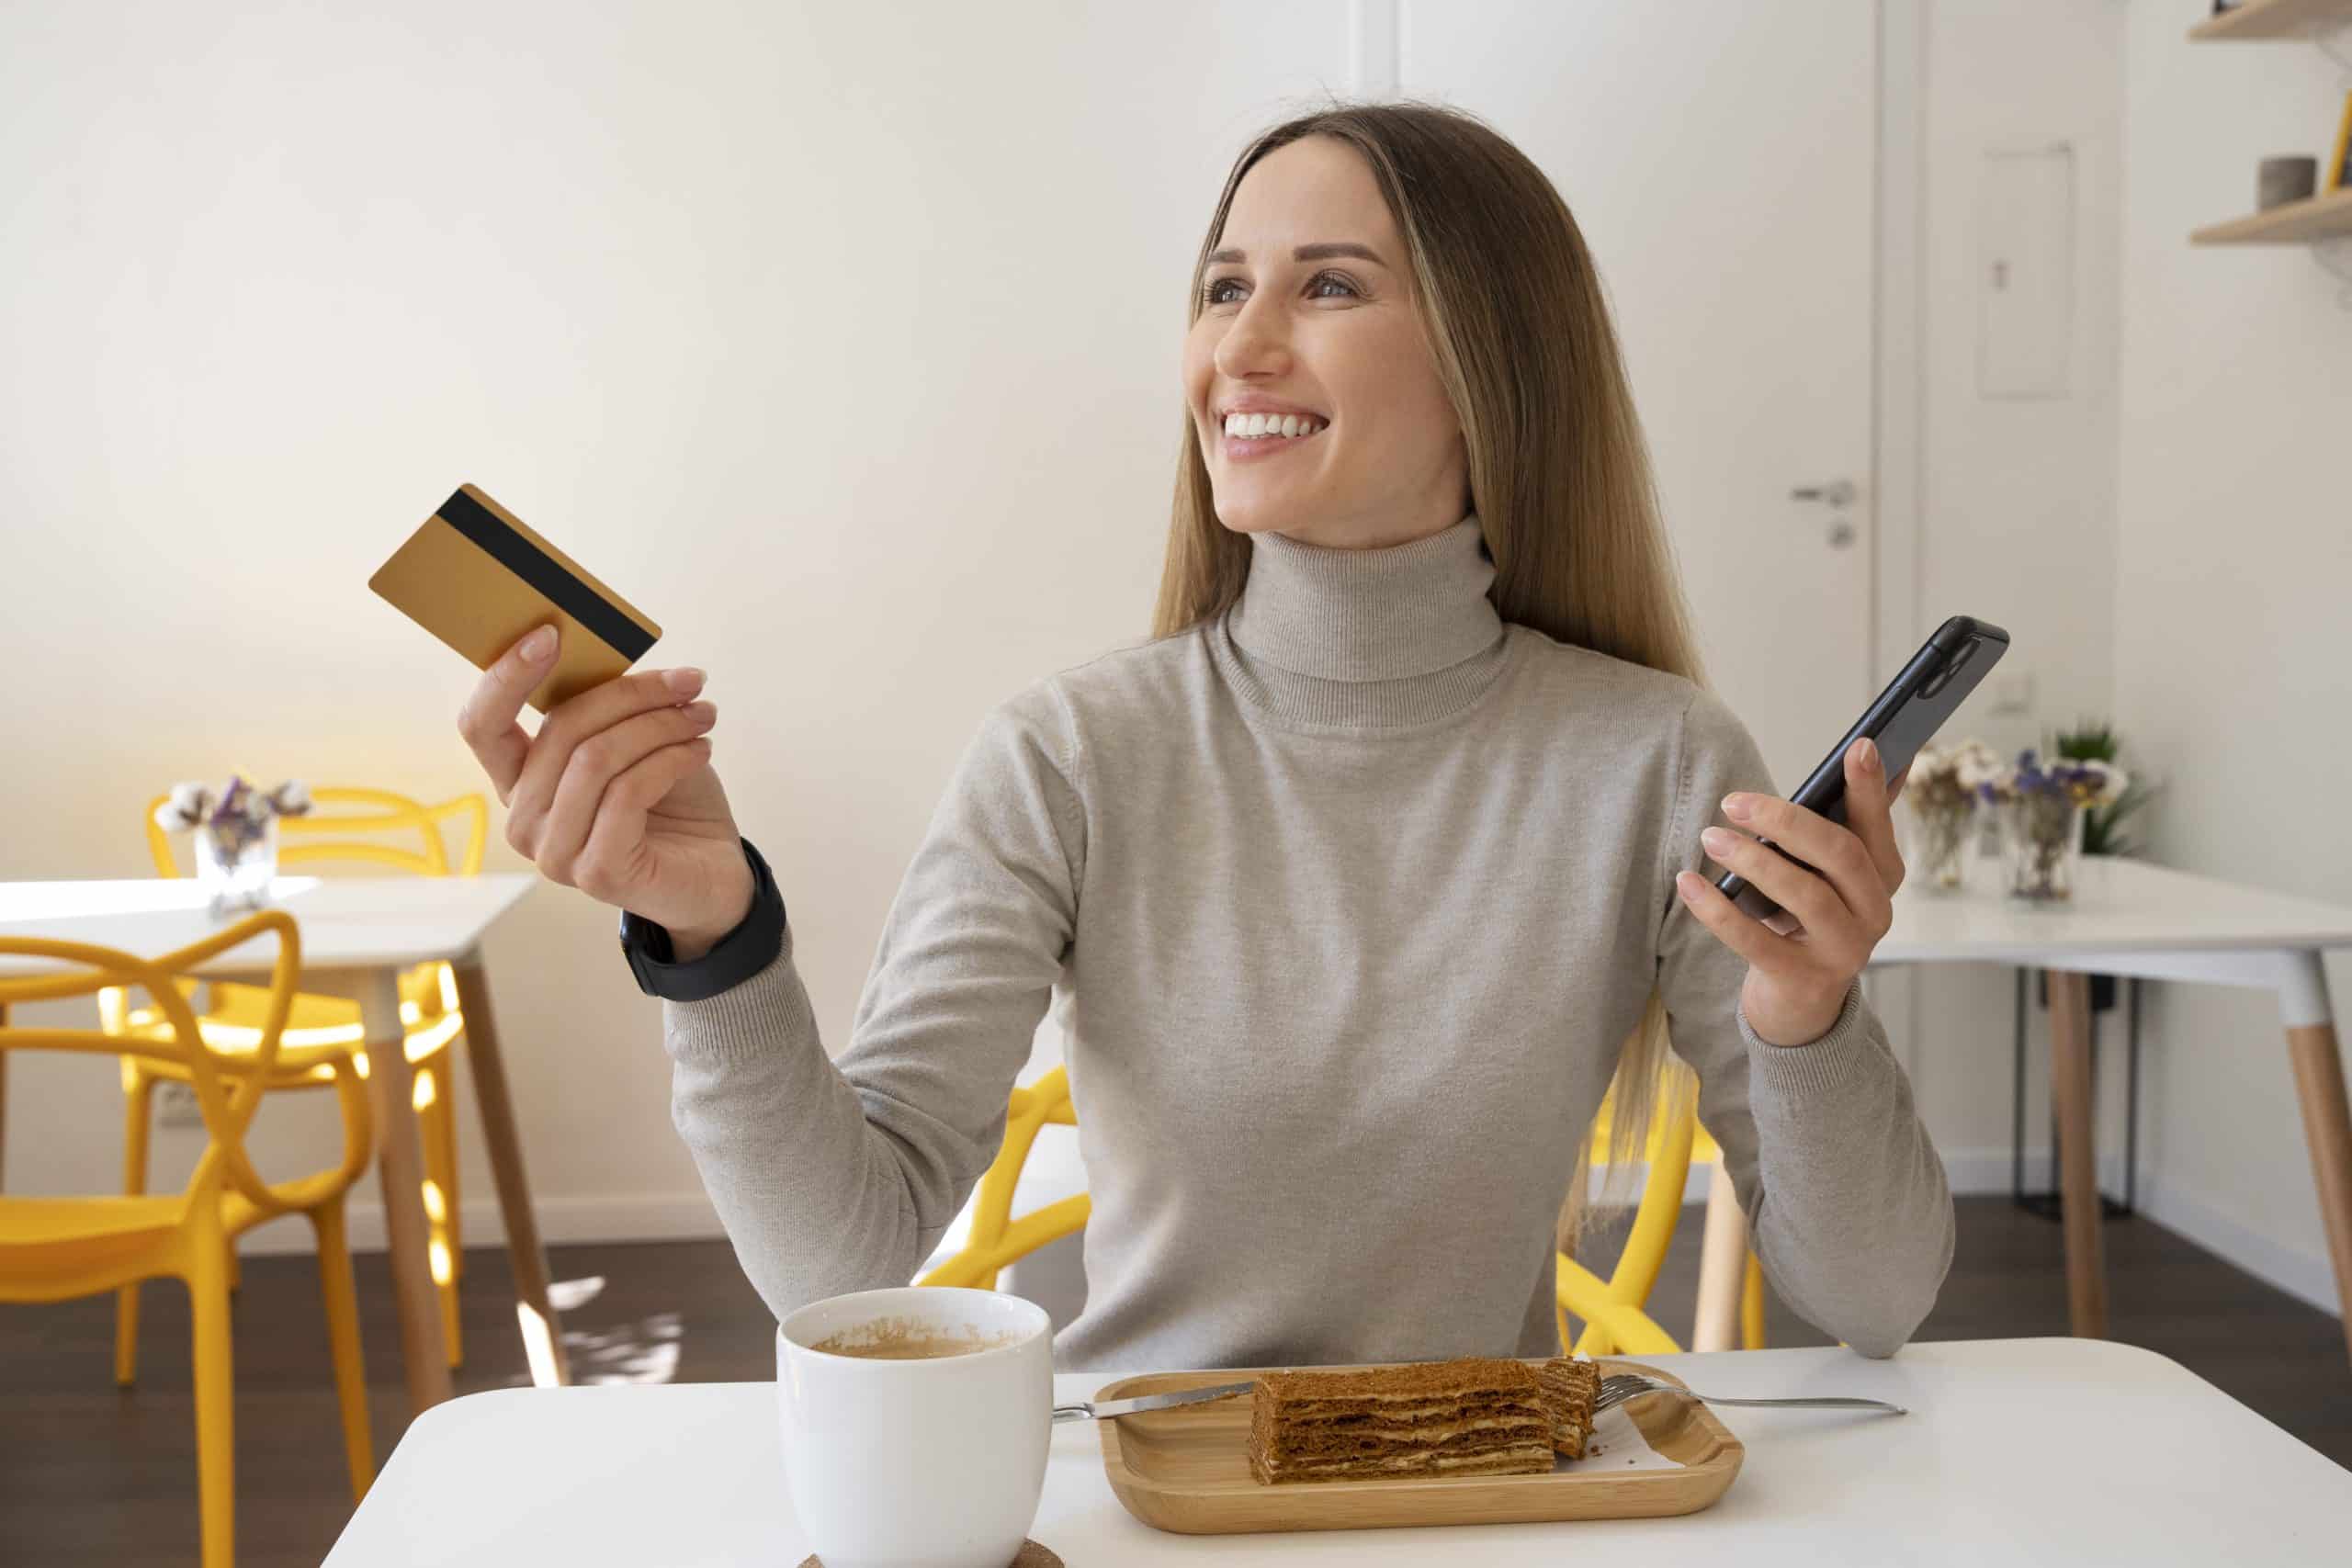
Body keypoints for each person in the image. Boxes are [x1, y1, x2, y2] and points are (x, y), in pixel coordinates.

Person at [456, 100, 1951, 1370]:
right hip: (1148, 1506)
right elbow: (840, 1260)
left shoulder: (1657, 760)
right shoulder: (1071, 756)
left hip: (1486, 1504)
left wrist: (1805, 1021)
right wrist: (713, 940)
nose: (1241, 345)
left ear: (1492, 360)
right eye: (1224, 287)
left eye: (1330, 286)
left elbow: (1873, 1299)